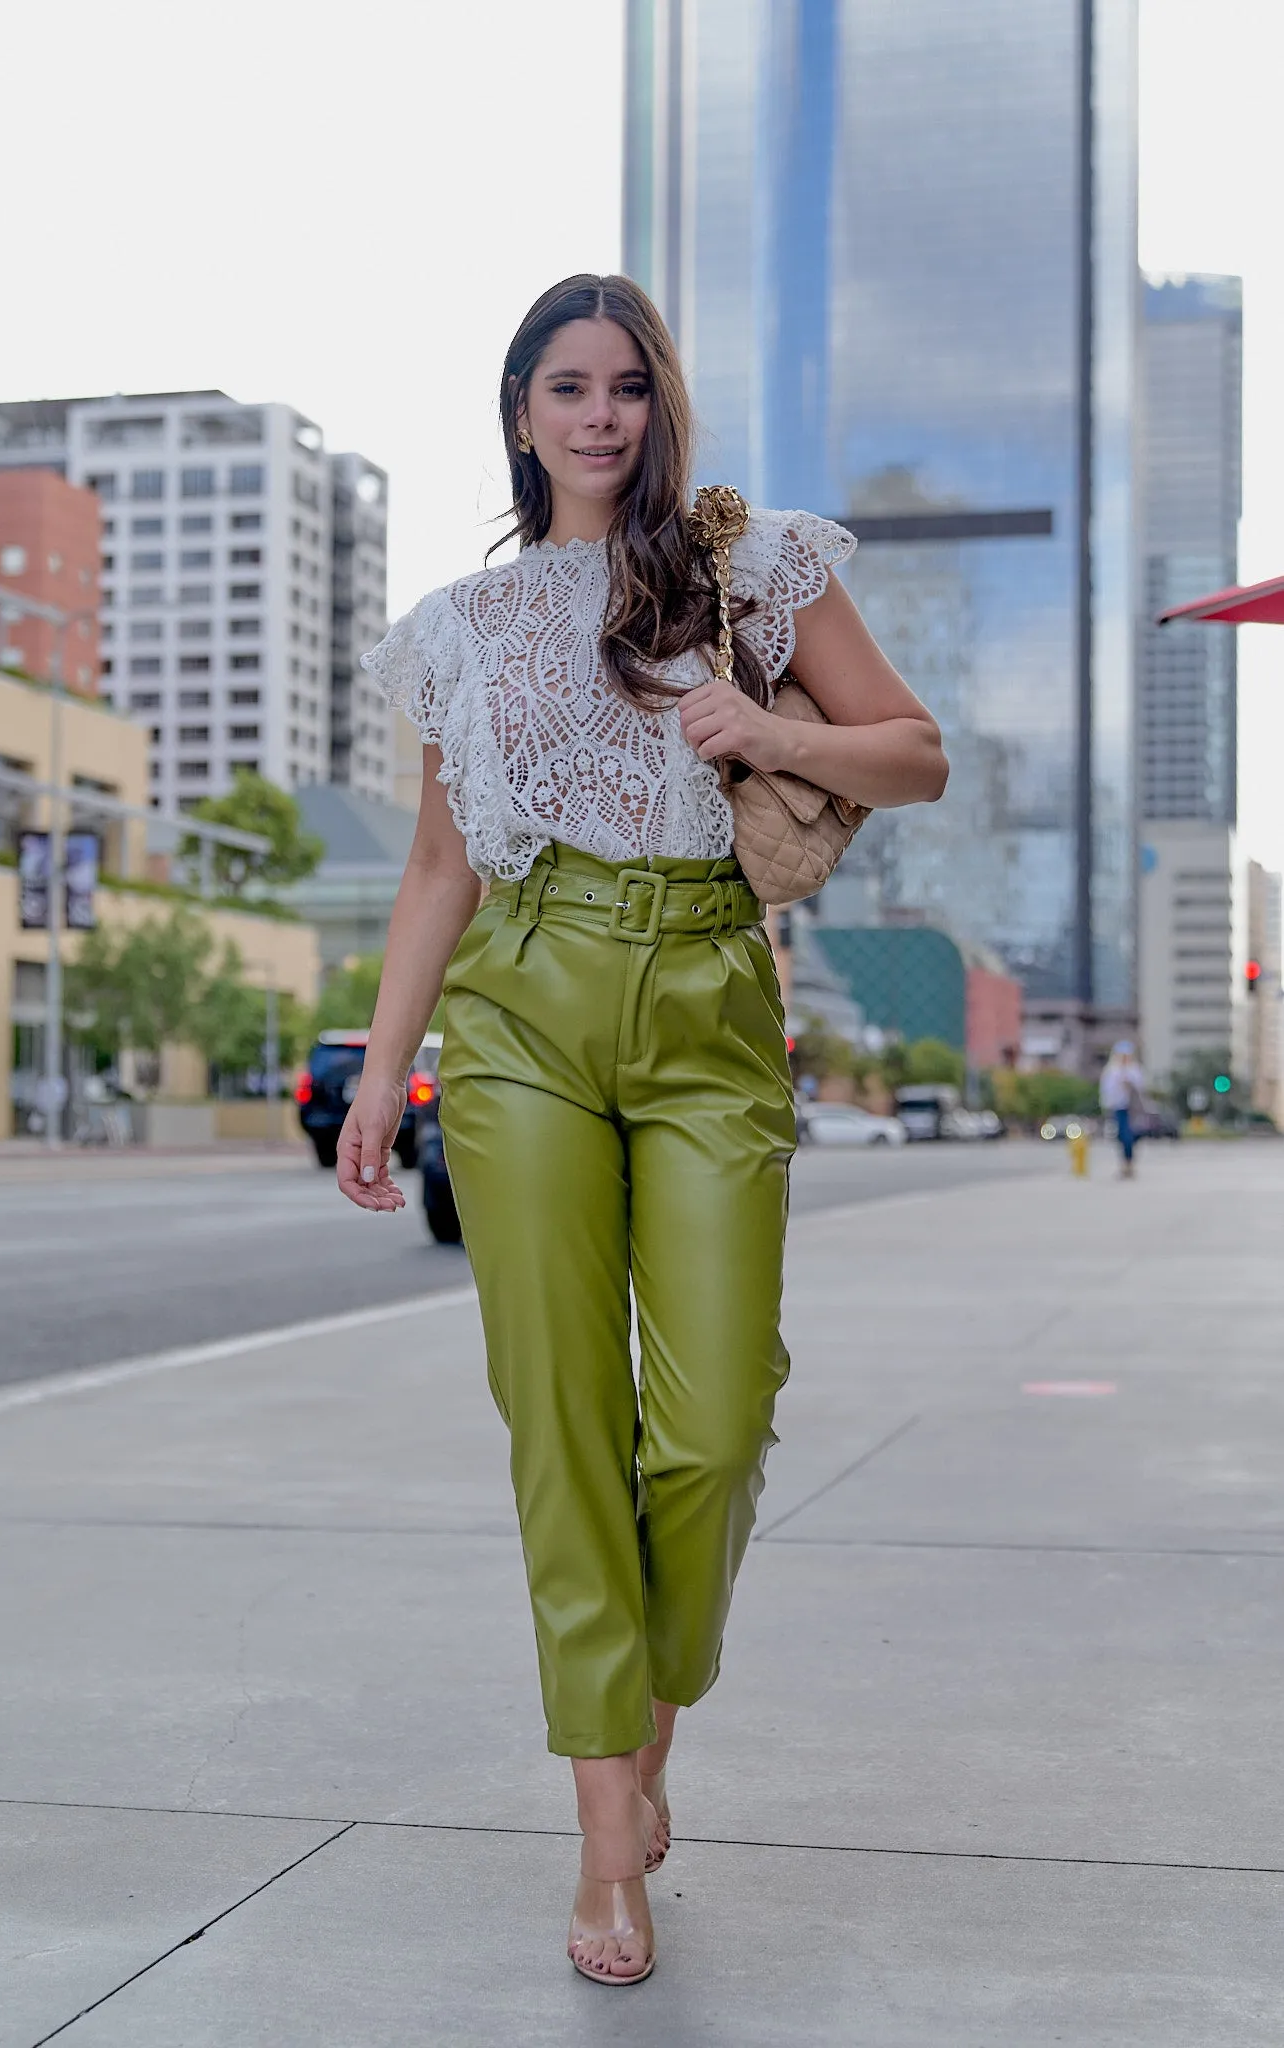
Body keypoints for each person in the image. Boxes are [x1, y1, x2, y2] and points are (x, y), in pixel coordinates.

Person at [338, 273, 947, 1986]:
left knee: (714, 1417)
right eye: (564, 386)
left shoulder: (757, 565)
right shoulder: (460, 625)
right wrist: (386, 1077)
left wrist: (763, 723)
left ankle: (646, 1705)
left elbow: (917, 751)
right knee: (560, 1416)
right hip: (521, 1002)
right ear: (520, 408)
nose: (598, 414)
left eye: (625, 385)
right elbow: (442, 868)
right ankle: (610, 1827)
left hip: (703, 991)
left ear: (657, 400)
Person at [1099, 1040, 1148, 1177]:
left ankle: (1129, 1163)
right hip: (1118, 1107)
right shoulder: (1111, 1070)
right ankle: (1125, 1164)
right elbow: (1107, 1091)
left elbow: (1141, 1088)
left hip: (1133, 1109)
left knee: (1130, 1136)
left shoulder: (1135, 1069)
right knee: (1121, 1136)